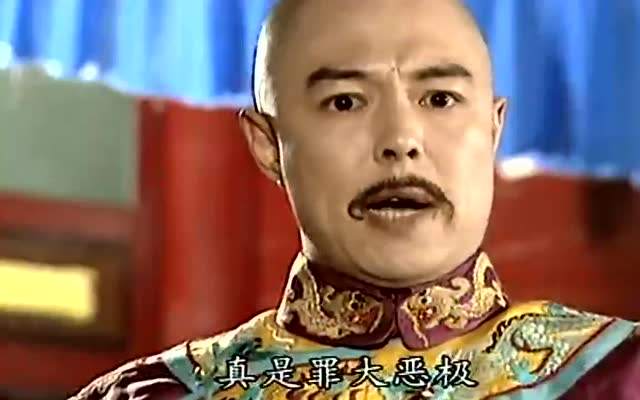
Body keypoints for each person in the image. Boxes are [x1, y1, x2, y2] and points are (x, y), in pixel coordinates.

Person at [71, 0, 640, 399]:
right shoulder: (164, 394)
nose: (401, 140)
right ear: (268, 146)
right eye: (345, 102)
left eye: (440, 98)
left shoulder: (614, 375)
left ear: (493, 131)